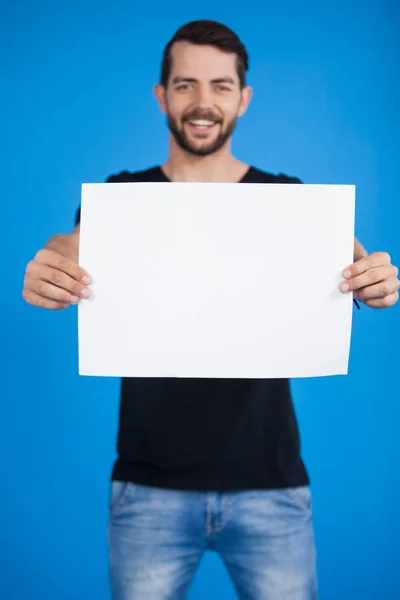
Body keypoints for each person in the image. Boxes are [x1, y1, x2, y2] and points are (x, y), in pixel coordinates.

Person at [22, 19, 399, 600]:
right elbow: (72, 243)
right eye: (185, 85)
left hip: (271, 487)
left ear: (243, 99)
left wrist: (374, 279)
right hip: (147, 489)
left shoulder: (289, 201)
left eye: (221, 86)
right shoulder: (123, 198)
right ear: (161, 94)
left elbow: (351, 264)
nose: (203, 103)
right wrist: (49, 259)